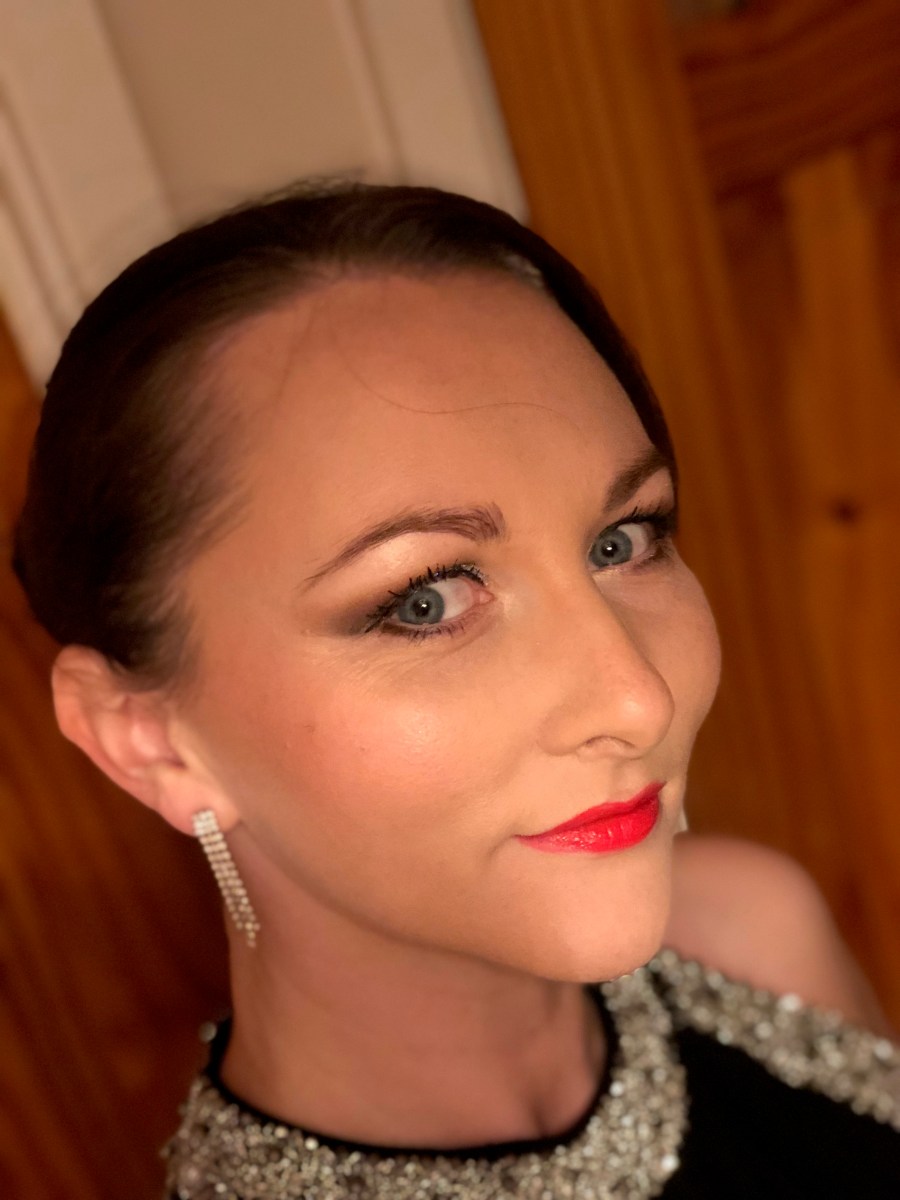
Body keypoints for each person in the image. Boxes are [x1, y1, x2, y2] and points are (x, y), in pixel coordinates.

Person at [13, 183, 899, 1198]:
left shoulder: (752, 933)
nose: (637, 699)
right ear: (148, 738)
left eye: (623, 541)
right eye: (426, 601)